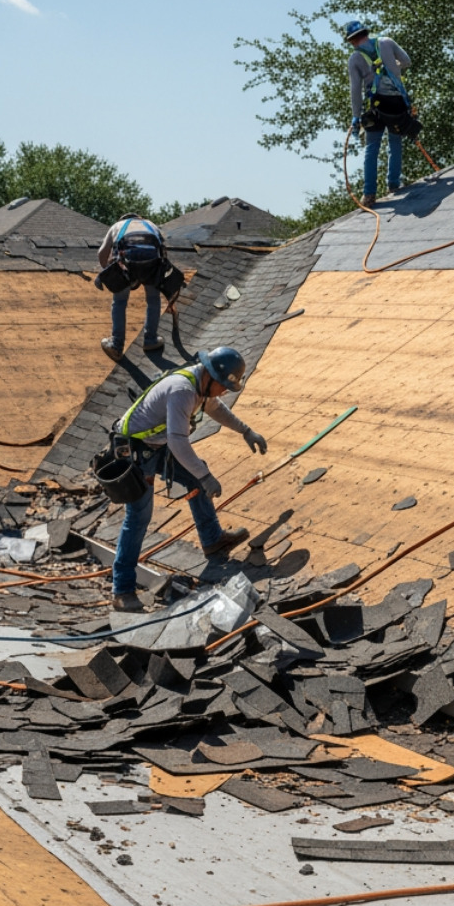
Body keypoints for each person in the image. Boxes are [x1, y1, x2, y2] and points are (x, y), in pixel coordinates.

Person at [108, 346, 267, 611]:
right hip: (133, 450)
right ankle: (122, 590)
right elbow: (178, 442)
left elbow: (216, 409)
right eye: (224, 386)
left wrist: (245, 431)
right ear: (211, 376)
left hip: (155, 444)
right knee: (138, 517)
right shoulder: (182, 390)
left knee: (195, 477)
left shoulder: (201, 384)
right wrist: (205, 477)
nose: (224, 392)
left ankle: (212, 540)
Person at [346, 20, 413, 209]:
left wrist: (356, 117)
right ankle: (394, 184)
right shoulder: (387, 42)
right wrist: (393, 67)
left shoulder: (355, 59)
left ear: (352, 40)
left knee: (372, 147)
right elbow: (407, 61)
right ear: (366, 33)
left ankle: (369, 194)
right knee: (395, 142)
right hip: (397, 101)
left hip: (377, 105)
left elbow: (355, 90)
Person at [97, 213, 168, 360]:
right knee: (153, 299)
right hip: (152, 262)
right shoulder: (151, 225)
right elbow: (163, 252)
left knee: (120, 301)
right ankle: (151, 340)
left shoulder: (117, 226)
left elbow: (102, 253)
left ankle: (116, 345)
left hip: (126, 263)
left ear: (122, 220)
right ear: (139, 218)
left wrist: (110, 273)